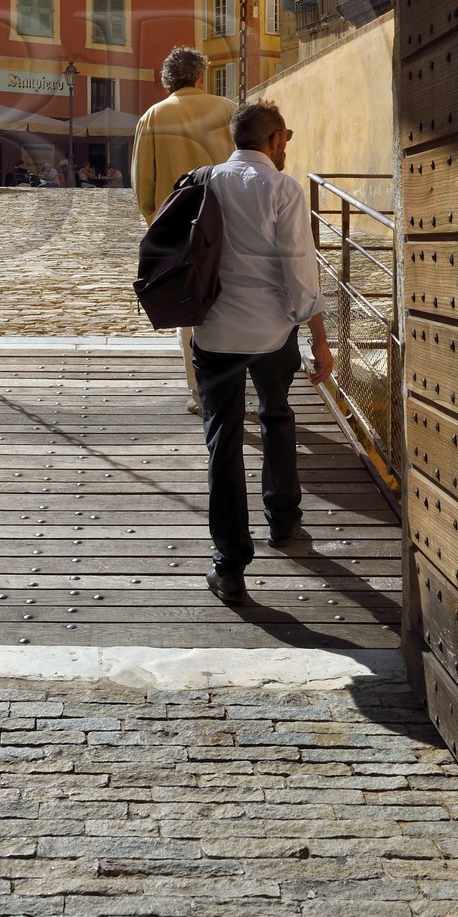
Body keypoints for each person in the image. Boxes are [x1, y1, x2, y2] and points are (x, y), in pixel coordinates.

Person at [191, 100, 334, 604]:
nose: (286, 147)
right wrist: (318, 336)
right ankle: (283, 520)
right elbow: (300, 271)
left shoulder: (203, 181)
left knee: (223, 443)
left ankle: (229, 565)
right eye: (285, 138)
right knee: (276, 417)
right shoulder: (283, 189)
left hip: (215, 332)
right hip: (273, 332)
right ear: (273, 141)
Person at [131, 46, 235, 414]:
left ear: (167, 80)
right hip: (227, 223)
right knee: (231, 301)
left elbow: (143, 183)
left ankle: (200, 394)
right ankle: (233, 390)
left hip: (178, 230)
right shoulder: (227, 110)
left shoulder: (153, 116)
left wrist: (155, 223)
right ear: (201, 76)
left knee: (188, 306)